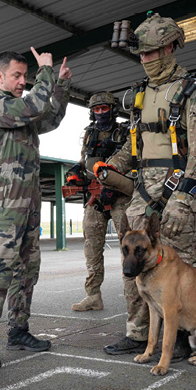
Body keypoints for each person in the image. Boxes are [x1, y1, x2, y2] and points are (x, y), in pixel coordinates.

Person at [98, 13, 196, 357]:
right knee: (134, 267)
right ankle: (138, 334)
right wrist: (111, 166)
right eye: (142, 55)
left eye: (151, 53)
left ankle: (183, 337)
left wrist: (183, 197)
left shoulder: (194, 94)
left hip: (180, 189)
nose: (145, 60)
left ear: (169, 48)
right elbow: (131, 146)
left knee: (182, 269)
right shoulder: (139, 94)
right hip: (142, 194)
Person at [0, 48, 72, 369]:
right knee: (0, 268)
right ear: (0, 76)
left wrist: (61, 87)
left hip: (29, 202)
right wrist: (46, 71)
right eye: (16, 75)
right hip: (5, 203)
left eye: (24, 76)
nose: (21, 81)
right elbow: (33, 104)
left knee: (27, 268)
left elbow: (50, 117)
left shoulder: (22, 114)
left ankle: (19, 330)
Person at [68, 92, 130, 312]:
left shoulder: (125, 131)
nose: (101, 113)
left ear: (112, 109)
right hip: (95, 195)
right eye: (97, 109)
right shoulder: (89, 133)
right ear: (92, 112)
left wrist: (112, 184)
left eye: (104, 108)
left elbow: (132, 161)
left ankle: (135, 300)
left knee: (129, 248)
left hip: (119, 195)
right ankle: (93, 296)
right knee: (91, 247)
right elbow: (84, 159)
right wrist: (77, 169)